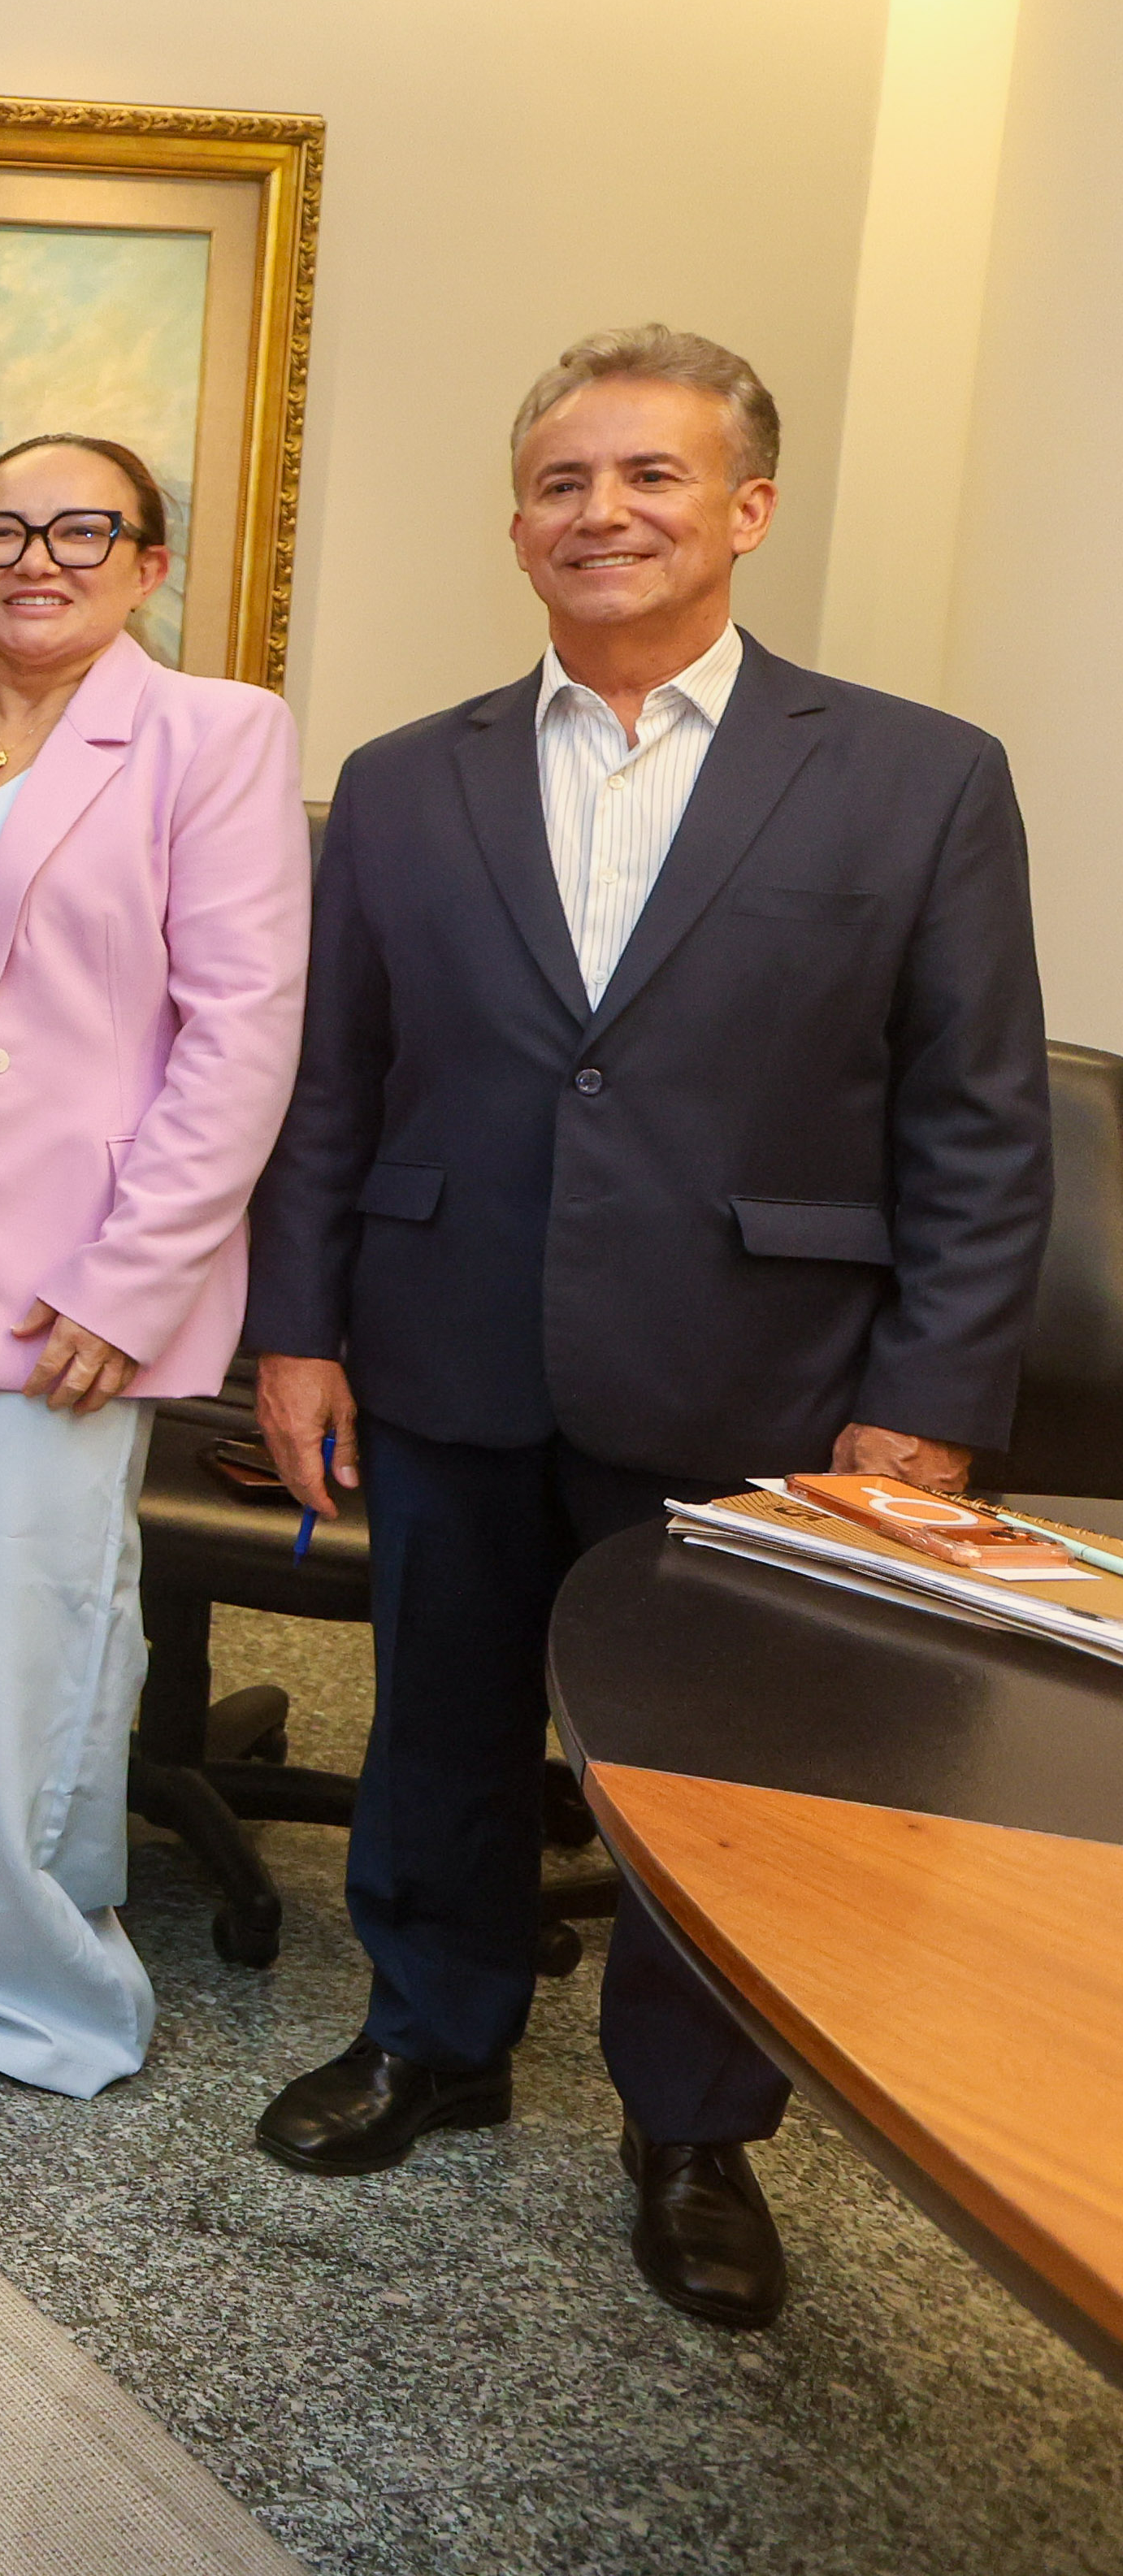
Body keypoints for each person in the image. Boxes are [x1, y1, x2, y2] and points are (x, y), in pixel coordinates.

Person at [246, 325, 1045, 2329]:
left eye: (652, 475)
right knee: (436, 1710)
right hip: (447, 1341)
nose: (600, 513)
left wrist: (928, 1407)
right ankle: (433, 2034)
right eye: (562, 482)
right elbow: (336, 1086)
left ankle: (693, 2133)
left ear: (747, 508)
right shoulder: (403, 781)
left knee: (711, 1772)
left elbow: (975, 1124)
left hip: (761, 1374)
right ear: (517, 524)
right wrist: (297, 1328)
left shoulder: (919, 777)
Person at [0, 436, 305, 2096]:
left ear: (149, 562)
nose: (38, 557)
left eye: (83, 528)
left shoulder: (215, 734)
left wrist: (131, 1279)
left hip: (68, 1258)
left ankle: (24, 1984)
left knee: (21, 1621)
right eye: (3, 529)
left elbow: (242, 1034)